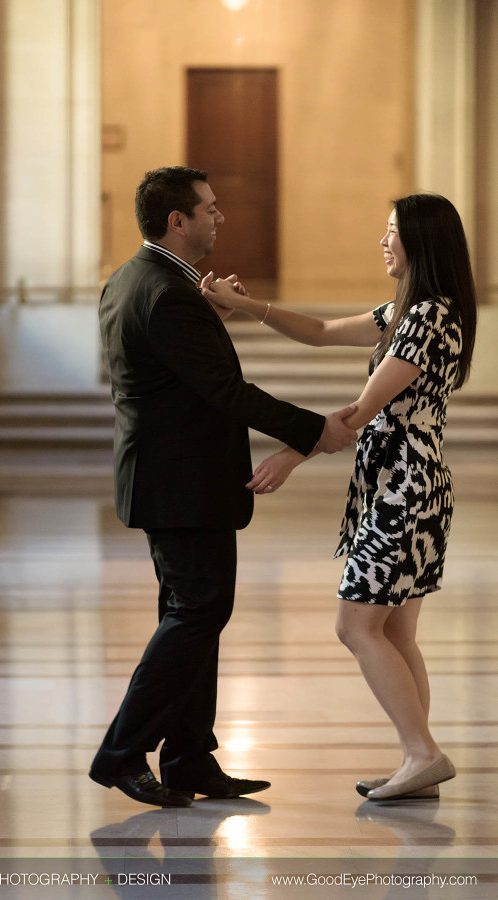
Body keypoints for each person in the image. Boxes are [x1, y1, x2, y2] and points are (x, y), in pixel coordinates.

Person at [89, 166, 357, 808]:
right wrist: (313, 429)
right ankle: (122, 752)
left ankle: (187, 757)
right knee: (197, 611)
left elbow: (174, 371)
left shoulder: (133, 279)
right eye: (209, 208)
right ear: (176, 220)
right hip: (181, 481)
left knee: (192, 612)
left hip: (167, 475)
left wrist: (215, 316)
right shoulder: (169, 292)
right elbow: (225, 392)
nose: (221, 217)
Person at [203, 193, 477, 801]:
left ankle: (421, 752)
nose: (382, 243)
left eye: (391, 233)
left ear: (422, 244)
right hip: (412, 484)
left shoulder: (430, 316)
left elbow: (362, 411)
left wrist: (289, 455)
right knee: (397, 635)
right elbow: (323, 332)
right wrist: (245, 306)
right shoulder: (413, 310)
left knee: (355, 625)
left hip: (406, 488)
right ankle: (417, 762)